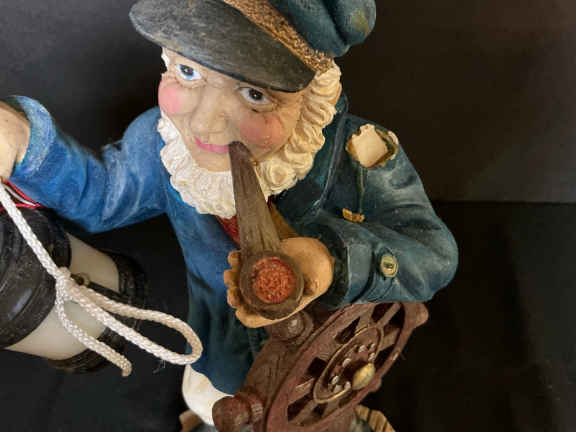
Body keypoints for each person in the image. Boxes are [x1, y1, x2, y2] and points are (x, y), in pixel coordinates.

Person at [0, 0, 458, 430]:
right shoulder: (165, 144)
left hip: (326, 369)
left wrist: (332, 261)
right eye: (187, 72)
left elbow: (433, 254)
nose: (204, 123)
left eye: (254, 94)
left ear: (311, 94)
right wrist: (22, 141)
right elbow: (101, 195)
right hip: (220, 359)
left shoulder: (358, 161)